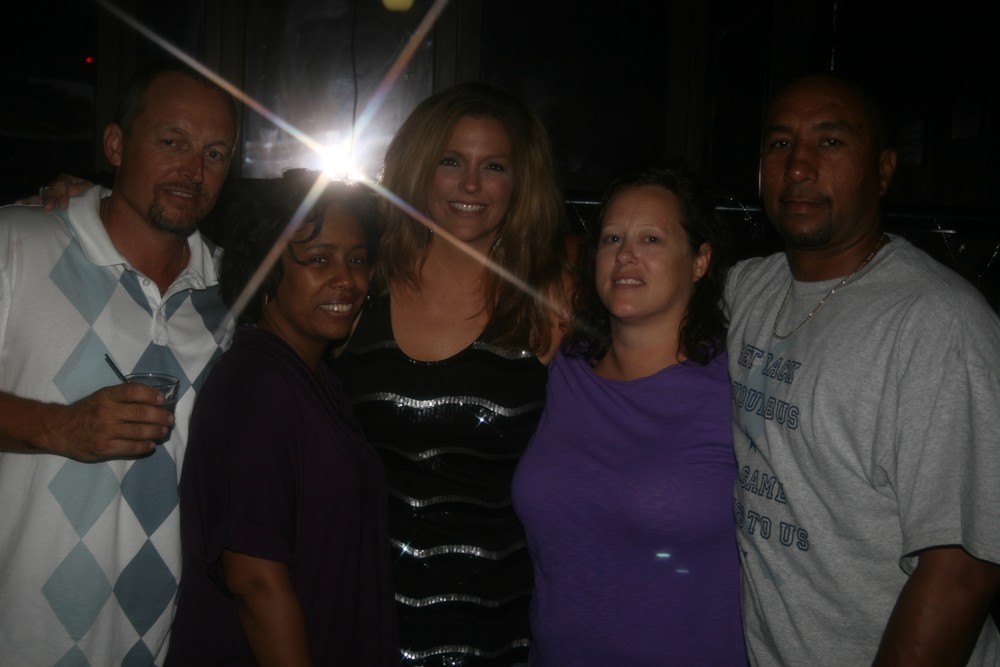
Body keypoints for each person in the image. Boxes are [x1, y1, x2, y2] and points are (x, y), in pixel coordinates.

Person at [726, 72, 1000, 665]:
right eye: (780, 143)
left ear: (883, 169)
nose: (799, 167)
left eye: (830, 142)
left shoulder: (937, 324)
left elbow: (963, 570)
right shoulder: (752, 288)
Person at [0, 60, 238, 665]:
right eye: (172, 142)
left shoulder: (236, 295)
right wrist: (58, 427)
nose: (194, 171)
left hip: (166, 645)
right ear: (115, 144)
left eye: (214, 154)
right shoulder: (18, 242)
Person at [333, 81, 570, 666]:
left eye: (494, 166)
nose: (470, 184)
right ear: (418, 168)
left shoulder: (551, 300)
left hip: (499, 625)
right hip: (361, 614)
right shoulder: (362, 282)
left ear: (520, 183)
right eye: (450, 161)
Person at [511, 163, 746, 665]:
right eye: (612, 238)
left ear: (700, 261)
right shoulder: (567, 368)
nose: (625, 255)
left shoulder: (736, 387)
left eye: (651, 239)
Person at [164, 170, 397, 666]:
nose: (348, 279)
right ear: (265, 269)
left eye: (358, 259)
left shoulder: (314, 376)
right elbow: (255, 581)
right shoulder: (256, 388)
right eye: (319, 259)